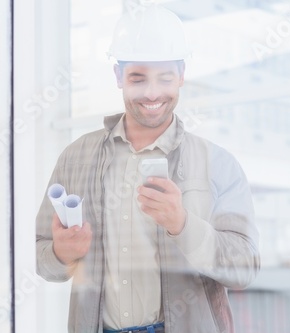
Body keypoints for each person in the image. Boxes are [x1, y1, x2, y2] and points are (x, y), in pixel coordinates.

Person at [35, 4, 260, 333]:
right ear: (118, 77)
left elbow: (245, 269)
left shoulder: (218, 165)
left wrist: (181, 225)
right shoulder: (76, 157)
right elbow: (40, 258)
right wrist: (60, 252)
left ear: (182, 74)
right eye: (138, 78)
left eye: (165, 78)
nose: (152, 93)